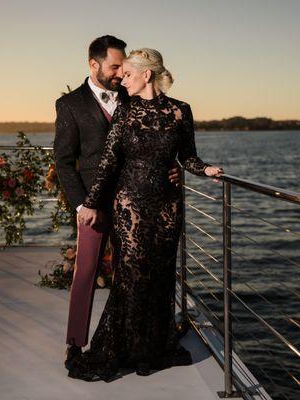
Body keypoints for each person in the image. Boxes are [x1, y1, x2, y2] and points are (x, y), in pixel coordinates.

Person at [65, 48, 223, 381]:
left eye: (129, 74)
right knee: (132, 274)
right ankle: (125, 347)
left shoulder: (181, 111)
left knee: (160, 274)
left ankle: (152, 346)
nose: (123, 79)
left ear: (147, 75)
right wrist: (91, 203)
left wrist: (205, 169)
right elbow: (108, 162)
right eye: (121, 74)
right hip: (130, 205)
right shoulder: (125, 111)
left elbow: (188, 157)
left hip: (167, 205)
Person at [53, 35, 182, 370]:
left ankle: (136, 342)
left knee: (134, 275)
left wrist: (174, 168)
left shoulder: (133, 92)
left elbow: (163, 137)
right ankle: (75, 343)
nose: (119, 74)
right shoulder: (70, 105)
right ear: (93, 64)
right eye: (114, 67)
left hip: (136, 205)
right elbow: (64, 162)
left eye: (123, 68)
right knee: (86, 273)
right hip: (94, 206)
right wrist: (83, 206)